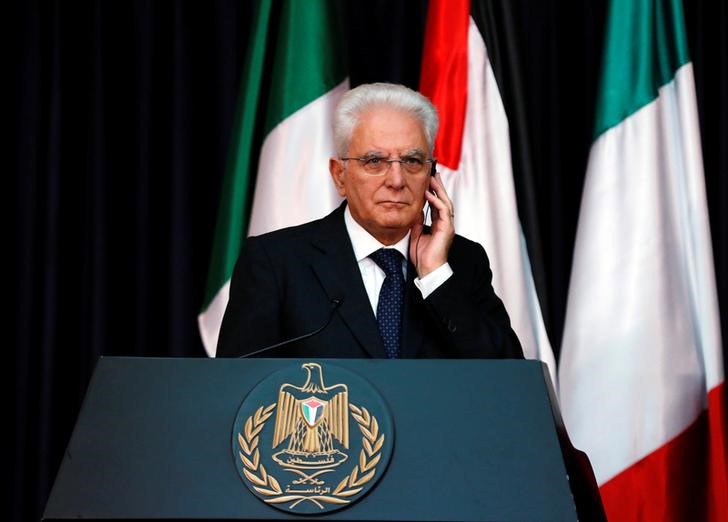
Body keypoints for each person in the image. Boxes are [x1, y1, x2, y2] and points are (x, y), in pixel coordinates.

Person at [216, 82, 523, 359]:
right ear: (340, 176)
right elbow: (239, 392)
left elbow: (509, 384)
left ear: (432, 174)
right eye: (375, 161)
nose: (397, 180)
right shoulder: (276, 262)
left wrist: (435, 277)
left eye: (413, 161)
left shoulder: (462, 262)